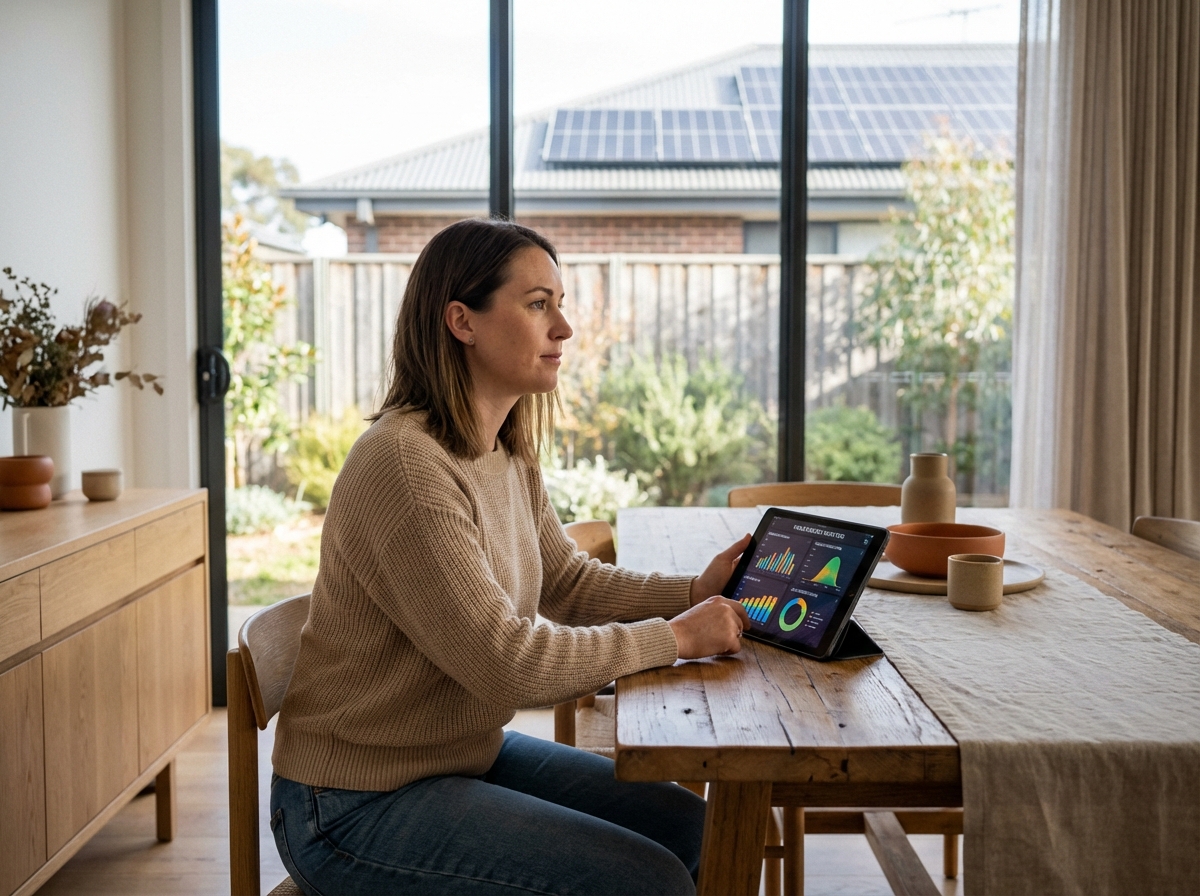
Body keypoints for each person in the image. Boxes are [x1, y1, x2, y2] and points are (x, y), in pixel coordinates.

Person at [270, 218, 753, 896]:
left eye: (559, 303)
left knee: (699, 832)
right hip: (351, 803)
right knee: (650, 883)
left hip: (458, 758)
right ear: (462, 321)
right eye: (538, 304)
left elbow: (565, 581)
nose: (565, 328)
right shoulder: (406, 465)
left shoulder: (502, 445)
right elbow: (508, 664)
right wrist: (674, 638)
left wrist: (692, 592)